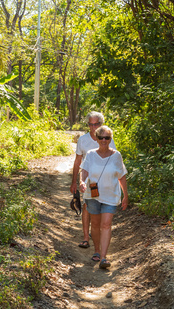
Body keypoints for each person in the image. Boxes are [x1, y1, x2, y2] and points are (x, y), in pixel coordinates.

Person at [79, 125, 128, 269]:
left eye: (107, 137)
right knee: (95, 224)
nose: (104, 140)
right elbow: (84, 170)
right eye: (101, 137)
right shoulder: (91, 154)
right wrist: (81, 182)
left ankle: (104, 258)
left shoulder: (116, 155)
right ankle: (97, 251)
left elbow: (122, 176)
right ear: (97, 139)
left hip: (111, 196)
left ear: (110, 139)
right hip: (92, 196)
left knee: (106, 224)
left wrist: (125, 195)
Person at [70, 112, 116, 249]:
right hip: (88, 179)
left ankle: (96, 233)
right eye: (91, 124)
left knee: (101, 206)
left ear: (101, 124)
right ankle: (85, 237)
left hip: (105, 180)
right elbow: (77, 161)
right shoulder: (83, 140)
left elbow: (113, 158)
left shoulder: (107, 138)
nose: (93, 127)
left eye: (96, 124)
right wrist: (74, 182)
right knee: (86, 206)